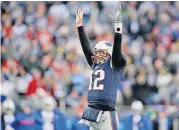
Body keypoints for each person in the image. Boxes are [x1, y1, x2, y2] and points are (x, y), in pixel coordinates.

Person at [76, 4, 126, 130]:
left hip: (107, 113)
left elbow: (117, 49)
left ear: (109, 53)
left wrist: (118, 29)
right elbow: (86, 48)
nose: (96, 55)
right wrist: (80, 27)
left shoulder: (114, 63)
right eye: (96, 52)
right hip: (92, 112)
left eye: (100, 53)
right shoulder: (95, 64)